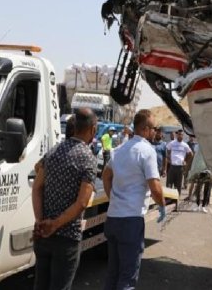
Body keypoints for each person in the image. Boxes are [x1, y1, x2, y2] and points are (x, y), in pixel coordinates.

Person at [32, 108, 98, 290]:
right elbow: (82, 203)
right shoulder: (88, 158)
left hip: (42, 234)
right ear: (92, 130)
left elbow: (37, 188)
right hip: (67, 238)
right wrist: (55, 224)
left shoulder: (53, 152)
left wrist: (40, 221)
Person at [102, 109, 164, 290]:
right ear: (145, 129)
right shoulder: (147, 151)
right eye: (153, 128)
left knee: (113, 273)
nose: (155, 132)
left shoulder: (119, 149)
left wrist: (112, 196)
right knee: (127, 278)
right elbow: (154, 186)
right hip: (131, 220)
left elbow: (106, 175)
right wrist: (161, 205)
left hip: (113, 218)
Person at [165, 129, 192, 195]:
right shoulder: (172, 143)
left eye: (181, 135)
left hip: (180, 168)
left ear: (183, 136)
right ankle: (168, 199)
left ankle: (176, 200)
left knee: (178, 185)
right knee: (169, 184)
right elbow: (167, 150)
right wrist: (169, 158)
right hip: (172, 167)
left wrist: (186, 161)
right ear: (177, 135)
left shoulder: (185, 145)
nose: (180, 136)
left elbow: (191, 154)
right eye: (179, 134)